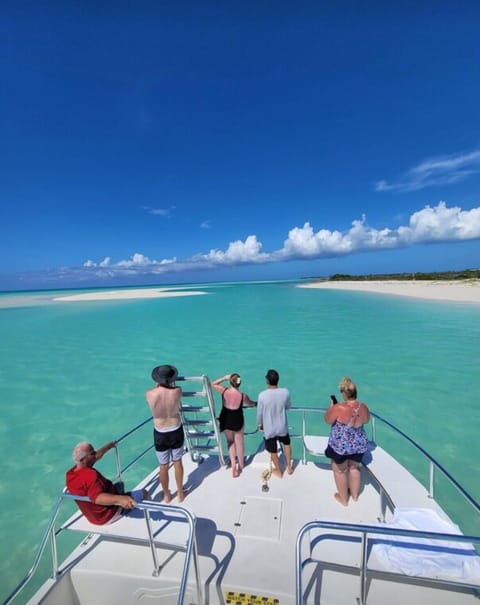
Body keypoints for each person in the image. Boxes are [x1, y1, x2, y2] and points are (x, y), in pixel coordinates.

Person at [66, 441, 148, 525]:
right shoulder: (91, 475)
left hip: (93, 517)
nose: (95, 454)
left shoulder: (71, 474)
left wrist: (107, 447)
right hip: (108, 515)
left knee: (120, 485)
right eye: (92, 453)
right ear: (83, 459)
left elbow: (95, 457)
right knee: (144, 493)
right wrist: (121, 499)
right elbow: (97, 498)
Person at [324, 377, 370, 506]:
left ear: (344, 393)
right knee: (355, 468)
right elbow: (366, 420)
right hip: (358, 445)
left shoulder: (339, 408)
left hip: (340, 447)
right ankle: (355, 496)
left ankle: (344, 499)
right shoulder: (363, 407)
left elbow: (327, 419)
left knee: (340, 471)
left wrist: (331, 408)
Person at [146, 364, 186, 503]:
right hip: (175, 429)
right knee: (177, 462)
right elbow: (173, 389)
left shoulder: (149, 394)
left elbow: (157, 393)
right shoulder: (177, 391)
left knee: (163, 465)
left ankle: (166, 495)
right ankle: (180, 494)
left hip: (160, 432)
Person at [212, 373, 256, 478]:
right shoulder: (242, 396)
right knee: (239, 442)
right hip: (237, 419)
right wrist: (256, 403)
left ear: (230, 382)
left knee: (230, 442)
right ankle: (241, 465)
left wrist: (224, 378)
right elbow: (251, 403)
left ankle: (233, 466)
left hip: (225, 418)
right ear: (240, 383)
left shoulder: (224, 391)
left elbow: (212, 384)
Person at [257, 369, 293, 478]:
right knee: (286, 444)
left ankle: (278, 471)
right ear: (278, 380)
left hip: (270, 428)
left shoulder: (262, 395)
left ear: (267, 380)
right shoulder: (285, 392)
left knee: (272, 450)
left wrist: (260, 424)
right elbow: (288, 406)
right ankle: (289, 467)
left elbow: (259, 414)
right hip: (282, 426)